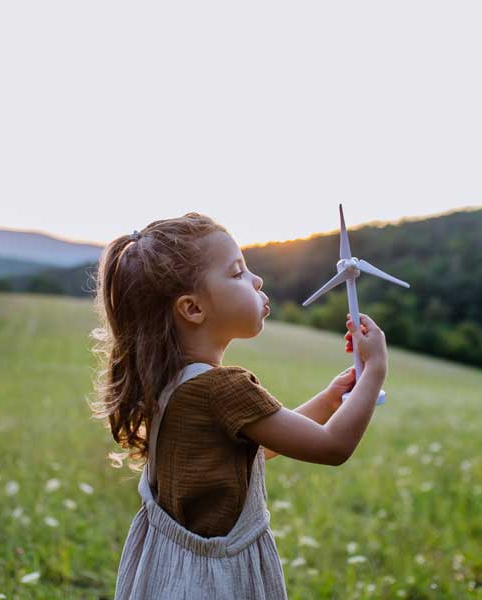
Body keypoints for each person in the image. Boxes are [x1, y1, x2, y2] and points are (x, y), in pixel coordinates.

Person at [87, 212, 388, 599]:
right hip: (214, 582)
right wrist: (375, 369)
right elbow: (332, 447)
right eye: (237, 272)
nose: (256, 279)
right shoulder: (223, 388)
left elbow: (262, 447)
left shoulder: (172, 381)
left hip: (170, 572)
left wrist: (332, 399)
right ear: (192, 309)